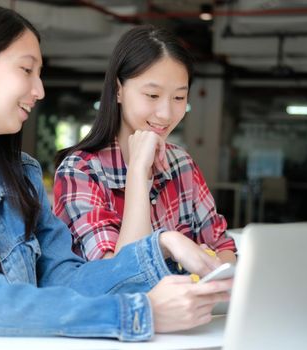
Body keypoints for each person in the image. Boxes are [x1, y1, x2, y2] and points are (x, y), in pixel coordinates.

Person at [0, 1, 232, 344]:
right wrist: (140, 312)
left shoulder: (21, 176)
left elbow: (67, 280)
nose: (39, 90)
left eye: (40, 74)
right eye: (27, 70)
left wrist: (162, 243)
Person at [54, 25, 237, 263]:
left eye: (179, 97)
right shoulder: (79, 171)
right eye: (152, 95)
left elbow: (223, 247)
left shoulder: (182, 164)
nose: (166, 113)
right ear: (119, 90)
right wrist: (138, 172)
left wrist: (214, 273)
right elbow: (119, 276)